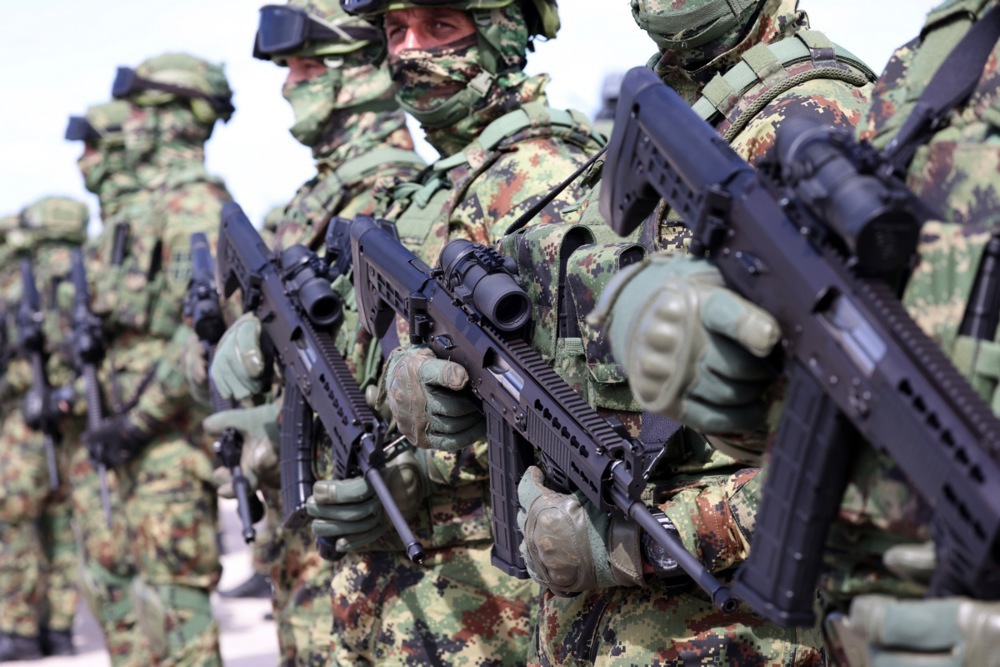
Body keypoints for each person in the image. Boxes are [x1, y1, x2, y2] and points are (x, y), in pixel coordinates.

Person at [373, 0, 879, 664]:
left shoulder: (821, 122)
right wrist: (460, 390)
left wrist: (649, 537)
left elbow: (876, 454)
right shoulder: (663, 118)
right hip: (595, 628)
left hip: (736, 632)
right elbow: (579, 375)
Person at [592, 0, 1000, 664]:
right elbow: (859, 368)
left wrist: (660, 535)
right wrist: (674, 310)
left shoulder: (826, 93)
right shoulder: (937, 56)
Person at [211, 0, 604, 663]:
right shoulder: (432, 186)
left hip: (483, 596)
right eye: (396, 31)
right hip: (402, 593)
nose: (410, 50)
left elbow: (566, 408)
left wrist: (416, 473)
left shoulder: (539, 172)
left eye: (439, 27)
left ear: (502, 35)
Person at [201, 2, 425, 663]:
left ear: (361, 72)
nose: (289, 84)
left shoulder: (394, 195)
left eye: (305, 65)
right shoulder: (309, 201)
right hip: (310, 555)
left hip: (385, 549)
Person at [81, 52, 234, 666]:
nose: (132, 121)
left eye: (144, 108)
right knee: (138, 607)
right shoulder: (145, 210)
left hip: (170, 440)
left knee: (176, 611)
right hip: (134, 437)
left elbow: (199, 334)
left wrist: (137, 421)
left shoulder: (194, 205)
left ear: (178, 117)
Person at [65, 98, 155, 664]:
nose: (85, 162)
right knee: (112, 583)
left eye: (94, 148)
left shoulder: (164, 211)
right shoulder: (109, 233)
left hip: (159, 436)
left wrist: (139, 419)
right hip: (116, 426)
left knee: (168, 607)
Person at [0, 196, 89, 661]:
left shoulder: (19, 283)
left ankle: (18, 628)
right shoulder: (85, 271)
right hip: (72, 423)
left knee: (15, 524)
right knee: (63, 525)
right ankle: (59, 626)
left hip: (26, 426)